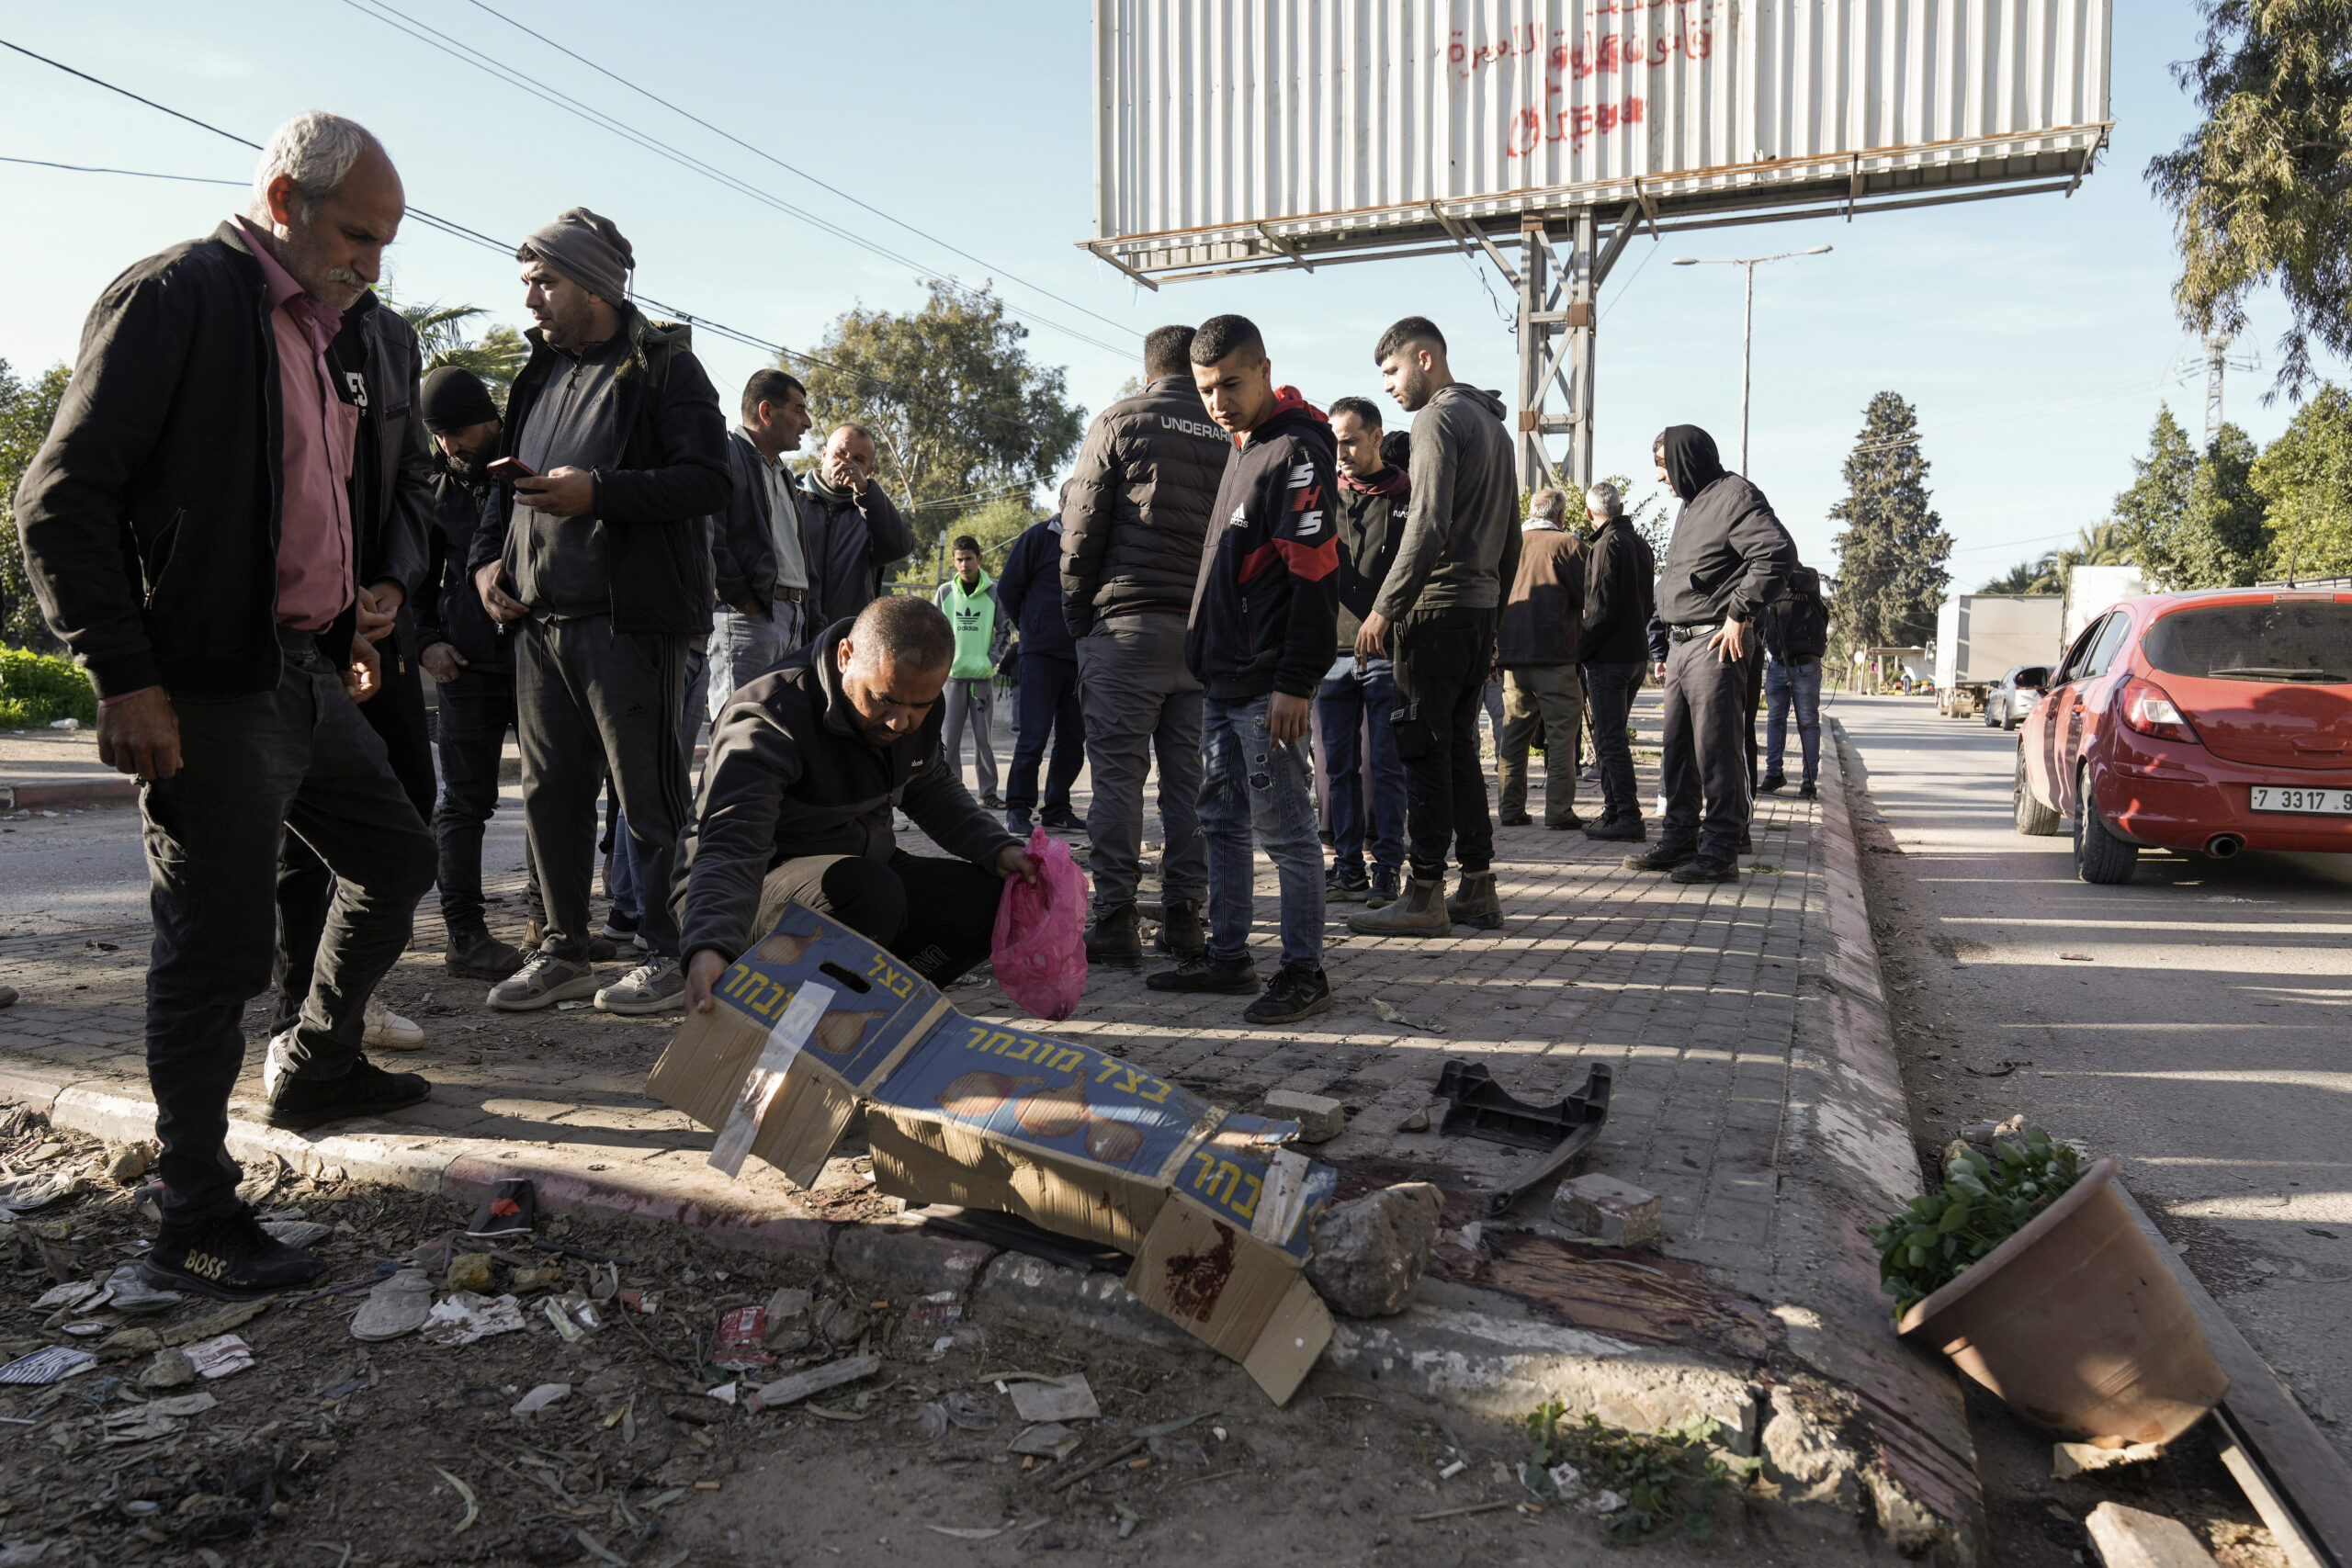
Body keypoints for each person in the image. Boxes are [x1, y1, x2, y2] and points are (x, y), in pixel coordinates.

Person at [15, 112, 439, 1296]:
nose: (370, 260)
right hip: (199, 684)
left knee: (398, 858)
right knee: (215, 954)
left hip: (301, 667)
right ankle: (191, 1219)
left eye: (385, 242)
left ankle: (317, 1064)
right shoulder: (179, 298)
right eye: (358, 232)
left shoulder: (334, 334)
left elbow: (321, 495)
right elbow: (59, 500)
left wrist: (348, 604)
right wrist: (124, 676)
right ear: (281, 197)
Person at [468, 206, 730, 1015]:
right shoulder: (536, 374)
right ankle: (563, 948)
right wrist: (484, 562)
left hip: (631, 622)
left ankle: (662, 948)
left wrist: (601, 494)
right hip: (540, 625)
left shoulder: (661, 369)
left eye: (543, 282)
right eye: (528, 284)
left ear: (592, 285)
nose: (530, 300)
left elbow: (708, 480)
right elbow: (500, 490)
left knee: (646, 797)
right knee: (549, 792)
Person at [675, 597, 1034, 1001]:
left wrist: (998, 847)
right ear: (845, 656)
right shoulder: (768, 717)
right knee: (869, 892)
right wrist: (710, 944)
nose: (901, 721)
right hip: (751, 888)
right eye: (884, 699)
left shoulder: (915, 699)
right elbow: (731, 845)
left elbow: (929, 786)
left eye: (921, 706)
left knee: (997, 899)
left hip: (860, 870)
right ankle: (806, 1010)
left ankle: (886, 1002)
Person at [1145, 314, 1338, 1026]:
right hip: (1223, 681)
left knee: (1286, 830)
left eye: (1230, 382)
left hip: (1266, 686)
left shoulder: (1295, 452)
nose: (1218, 400)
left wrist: (1295, 680)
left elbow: (1314, 578)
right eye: (1205, 389)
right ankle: (1228, 955)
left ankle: (1303, 971)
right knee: (1219, 819)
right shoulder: (1244, 446)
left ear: (1262, 369)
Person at [1059, 324, 1227, 966]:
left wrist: (1081, 621)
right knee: (1190, 784)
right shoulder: (1227, 430)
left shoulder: (1120, 420)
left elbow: (1080, 532)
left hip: (1127, 628)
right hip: (1199, 637)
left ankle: (1116, 919)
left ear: (1148, 367)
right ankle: (1186, 918)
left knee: (1118, 782)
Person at [1348, 317, 1520, 937]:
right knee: (1458, 755)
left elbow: (1427, 522)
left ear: (1424, 358)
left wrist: (1385, 606)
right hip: (1475, 612)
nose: (1389, 386)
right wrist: (1493, 619)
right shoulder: (1494, 426)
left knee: (1422, 748)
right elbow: (1512, 537)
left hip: (1437, 607)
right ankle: (1478, 885)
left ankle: (1423, 893)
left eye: (1391, 371)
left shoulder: (1436, 418)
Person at [1626, 425, 1798, 883]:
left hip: (1714, 644)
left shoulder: (1734, 496)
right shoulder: (1691, 504)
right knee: (1677, 751)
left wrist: (1739, 614)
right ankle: (1680, 838)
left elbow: (1777, 554)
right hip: (1681, 646)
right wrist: (1662, 640)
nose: (1661, 478)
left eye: (1663, 467)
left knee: (1715, 751)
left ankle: (1721, 849)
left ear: (1685, 460)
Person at [416, 366, 543, 979]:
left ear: (492, 419)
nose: (451, 445)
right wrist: (426, 646)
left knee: (552, 796)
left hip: (537, 660)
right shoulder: (432, 489)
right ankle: (464, 934)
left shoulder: (529, 468)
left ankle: (549, 926)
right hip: (466, 667)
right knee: (465, 805)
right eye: (439, 434)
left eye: (460, 429)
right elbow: (413, 582)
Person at [1316, 395, 1409, 908]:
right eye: (1336, 442)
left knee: (1386, 768)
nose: (1342, 451)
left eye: (1350, 440)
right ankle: (1346, 867)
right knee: (1338, 770)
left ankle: (1388, 868)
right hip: (1330, 656)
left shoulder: (1409, 497)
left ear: (1377, 437)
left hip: (1389, 655)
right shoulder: (1322, 495)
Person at [707, 367, 816, 718]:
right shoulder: (724, 456)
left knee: (776, 738)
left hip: (791, 621)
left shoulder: (782, 472)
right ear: (767, 412)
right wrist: (743, 600)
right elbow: (709, 536)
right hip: (749, 620)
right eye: (799, 410)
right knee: (737, 734)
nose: (808, 422)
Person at [1496, 489, 1588, 829]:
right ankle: (1559, 812)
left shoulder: (1509, 544)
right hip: (1556, 656)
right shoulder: (1569, 546)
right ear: (1560, 516)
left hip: (1512, 656)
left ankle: (1509, 809)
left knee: (1514, 737)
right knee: (1562, 736)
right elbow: (1587, 598)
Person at [994, 503, 1086, 837]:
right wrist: (1032, 630)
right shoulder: (1036, 538)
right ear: (1063, 504)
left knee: (1074, 740)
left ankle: (1058, 809)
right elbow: (1008, 589)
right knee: (1032, 738)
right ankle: (1018, 810)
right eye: (1077, 501)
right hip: (1038, 658)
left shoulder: (1093, 540)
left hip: (1080, 659)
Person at [1577, 481, 1657, 840]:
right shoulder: (1640, 545)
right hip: (1635, 654)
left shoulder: (1606, 545)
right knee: (1611, 735)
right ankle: (1613, 812)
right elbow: (1649, 603)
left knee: (1609, 739)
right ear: (1621, 507)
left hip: (1609, 657)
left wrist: (1581, 650)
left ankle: (1626, 814)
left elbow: (1598, 608)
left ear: (1592, 513)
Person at [801, 424, 915, 629]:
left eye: (858, 459)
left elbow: (900, 546)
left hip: (847, 635)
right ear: (824, 454)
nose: (847, 462)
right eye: (840, 453)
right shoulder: (791, 496)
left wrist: (865, 491)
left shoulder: (872, 511)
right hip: (791, 633)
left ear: (868, 471)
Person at [934, 535, 1008, 808]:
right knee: (948, 740)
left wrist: (991, 661)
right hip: (951, 678)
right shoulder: (944, 593)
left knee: (983, 740)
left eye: (968, 558)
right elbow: (935, 633)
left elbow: (1005, 630)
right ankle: (952, 795)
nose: (963, 564)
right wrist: (940, 665)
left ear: (980, 559)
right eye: (959, 560)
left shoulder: (994, 592)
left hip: (982, 679)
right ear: (954, 562)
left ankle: (988, 794)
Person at [1760, 565, 1828, 799]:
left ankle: (1809, 782)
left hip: (1805, 665)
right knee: (1775, 720)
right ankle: (1773, 774)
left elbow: (1801, 580)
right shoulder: (1772, 582)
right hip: (1777, 663)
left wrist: (1779, 568)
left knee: (1808, 722)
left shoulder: (1807, 577)